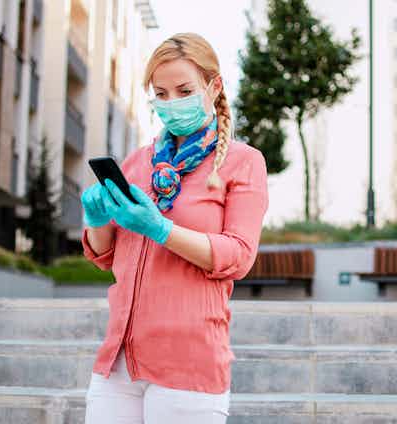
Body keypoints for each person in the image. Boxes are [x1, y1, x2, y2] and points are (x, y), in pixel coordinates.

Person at [80, 32, 269, 423]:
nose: (171, 103)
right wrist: (98, 222)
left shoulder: (242, 161)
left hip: (188, 361)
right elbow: (108, 256)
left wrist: (161, 229)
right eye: (160, 94)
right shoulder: (137, 162)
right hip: (120, 360)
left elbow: (238, 256)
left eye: (183, 90)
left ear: (214, 86)